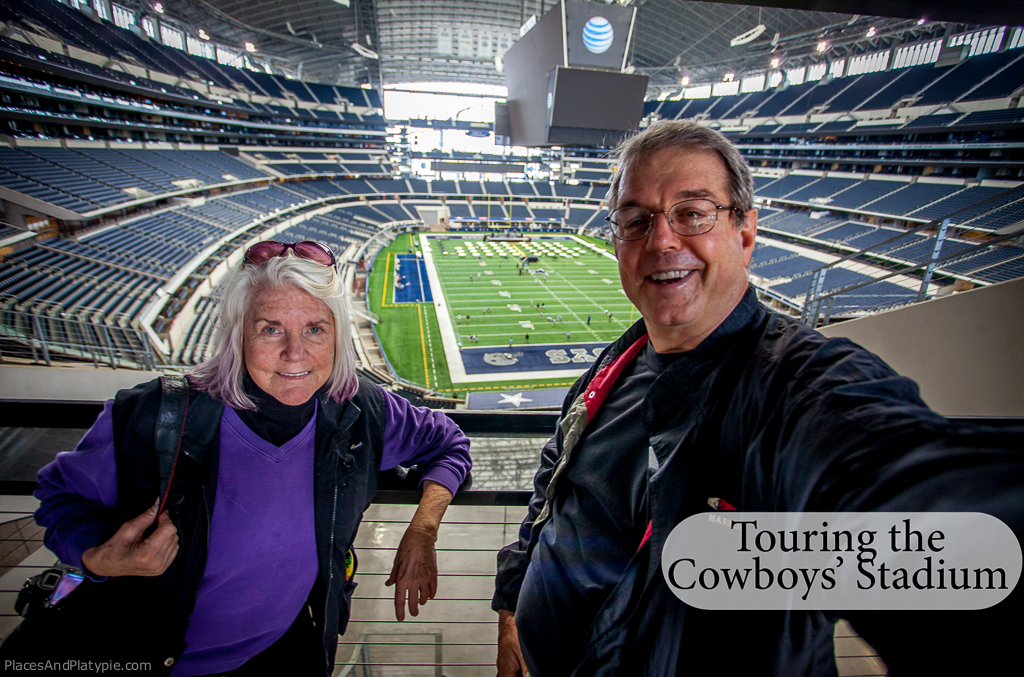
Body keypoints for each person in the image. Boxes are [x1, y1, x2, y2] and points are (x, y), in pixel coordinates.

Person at [492, 121, 1024, 677]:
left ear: (745, 233)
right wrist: (515, 600)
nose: (661, 240)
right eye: (635, 220)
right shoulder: (619, 359)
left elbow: (903, 492)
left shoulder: (796, 387)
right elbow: (555, 481)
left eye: (692, 213)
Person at [33, 240, 472, 676]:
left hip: (284, 647)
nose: (295, 353)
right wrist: (98, 557)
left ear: (339, 336)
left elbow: (449, 443)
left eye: (315, 329)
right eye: (271, 329)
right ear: (237, 334)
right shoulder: (153, 415)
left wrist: (423, 530)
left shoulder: (359, 408)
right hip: (146, 655)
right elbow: (57, 497)